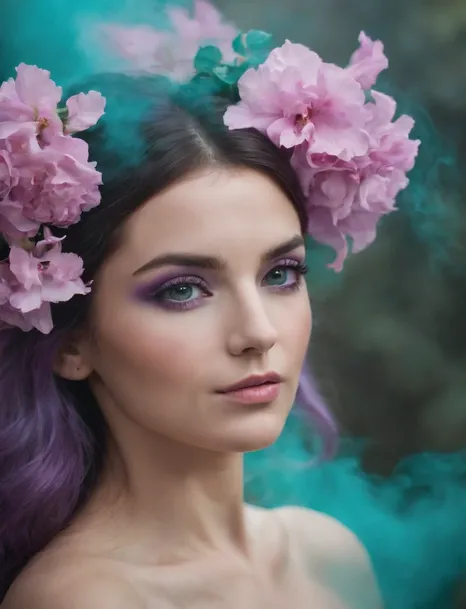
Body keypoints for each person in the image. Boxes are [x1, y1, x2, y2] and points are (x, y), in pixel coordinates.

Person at [0, 18, 418, 608]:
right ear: (70, 341)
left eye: (281, 275)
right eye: (183, 290)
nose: (258, 332)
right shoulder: (81, 599)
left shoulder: (330, 556)